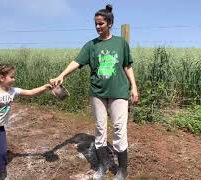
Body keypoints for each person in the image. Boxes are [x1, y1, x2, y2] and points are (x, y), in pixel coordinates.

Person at [50, 4, 139, 180]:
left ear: (110, 24)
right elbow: (76, 62)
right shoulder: (91, 45)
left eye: (101, 24)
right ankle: (102, 165)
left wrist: (134, 87)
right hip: (97, 92)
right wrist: (61, 75)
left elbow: (127, 66)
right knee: (100, 129)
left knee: (120, 129)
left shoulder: (120, 43)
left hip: (119, 92)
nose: (98, 27)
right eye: (96, 24)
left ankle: (122, 170)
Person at [0, 64, 52, 180]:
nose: (14, 79)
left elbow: (31, 92)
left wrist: (45, 87)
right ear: (2, 78)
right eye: (12, 77)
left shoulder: (13, 91)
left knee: (2, 154)